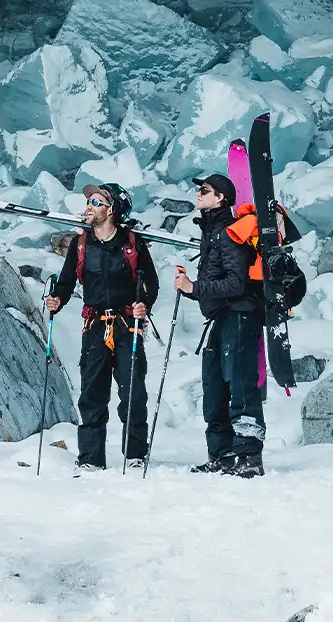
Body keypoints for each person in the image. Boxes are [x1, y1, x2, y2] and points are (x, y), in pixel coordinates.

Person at [44, 183, 158, 473]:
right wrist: (58, 298)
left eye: (96, 202)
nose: (89, 206)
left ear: (112, 209)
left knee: (133, 391)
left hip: (126, 325)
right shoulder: (81, 244)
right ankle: (91, 458)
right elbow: (68, 281)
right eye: (89, 201)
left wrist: (143, 303)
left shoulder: (132, 243)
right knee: (92, 393)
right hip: (95, 326)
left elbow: (150, 284)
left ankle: (134, 454)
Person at [174, 173, 266, 478]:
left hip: (240, 315)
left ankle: (249, 457)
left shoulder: (229, 233)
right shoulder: (213, 231)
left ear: (221, 198)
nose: (199, 194)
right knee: (214, 386)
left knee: (239, 383)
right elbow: (218, 283)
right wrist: (192, 289)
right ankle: (222, 454)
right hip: (222, 317)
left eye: (205, 190)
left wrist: (194, 287)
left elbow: (236, 282)